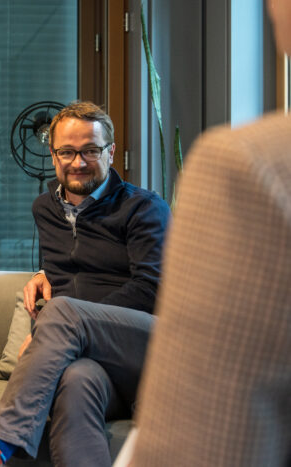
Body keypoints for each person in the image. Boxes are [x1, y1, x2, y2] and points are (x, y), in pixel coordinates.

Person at [128, 1, 291, 464]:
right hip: (83, 353)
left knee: (65, 318)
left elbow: (200, 450)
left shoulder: (252, 166)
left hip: (123, 333)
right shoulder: (48, 211)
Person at [0, 101, 171, 466]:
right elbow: (68, 267)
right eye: (67, 152)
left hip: (143, 346)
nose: (78, 162)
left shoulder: (143, 208)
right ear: (52, 154)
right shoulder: (44, 208)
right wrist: (43, 275)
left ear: (109, 151)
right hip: (88, 360)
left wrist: (57, 325)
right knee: (76, 383)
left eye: (90, 151)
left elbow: (152, 289)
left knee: (60, 311)